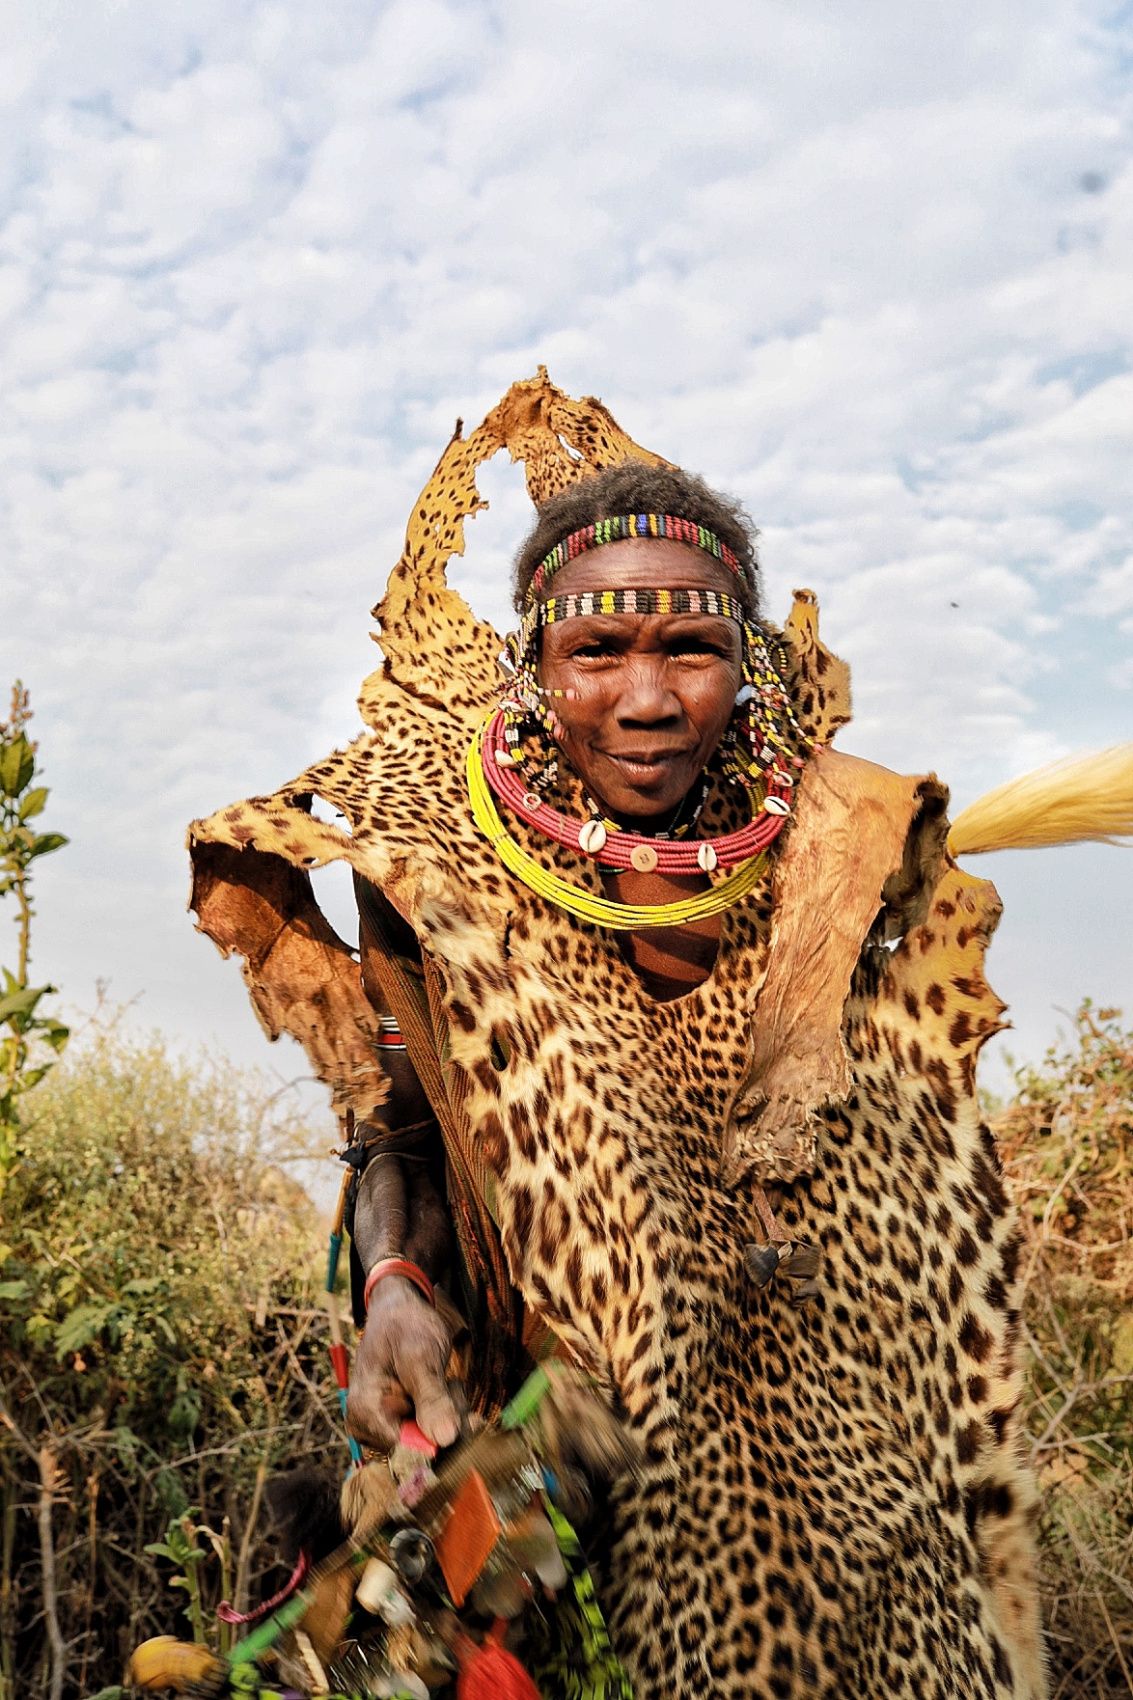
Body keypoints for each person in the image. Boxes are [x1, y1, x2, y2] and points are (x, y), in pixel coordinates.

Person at [189, 373, 1050, 1697]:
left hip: (825, 1444)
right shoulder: (431, 860)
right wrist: (396, 1295)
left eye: (689, 652)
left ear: (746, 662)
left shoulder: (844, 853)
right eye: (597, 655)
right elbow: (400, 1128)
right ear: (535, 673)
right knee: (397, 1649)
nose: (645, 699)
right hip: (557, 1427)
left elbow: (916, 1189)